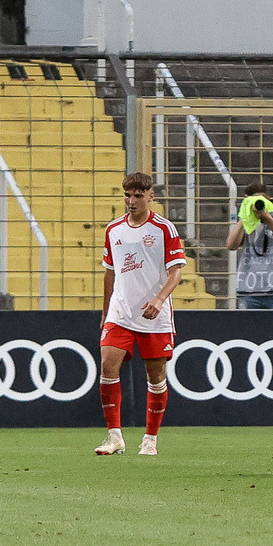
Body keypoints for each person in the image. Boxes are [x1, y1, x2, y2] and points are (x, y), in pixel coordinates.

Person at [95, 172, 186, 457]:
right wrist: (105, 310)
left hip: (154, 316)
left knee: (155, 375)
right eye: (127, 195)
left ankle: (150, 438)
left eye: (137, 195)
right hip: (120, 312)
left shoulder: (164, 229)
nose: (131, 201)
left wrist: (160, 299)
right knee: (108, 366)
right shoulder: (114, 230)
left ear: (150, 196)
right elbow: (110, 273)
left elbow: (177, 272)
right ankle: (114, 437)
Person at [226, 181, 273, 309]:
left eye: (262, 199)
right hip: (249, 290)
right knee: (249, 329)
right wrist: (244, 217)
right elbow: (231, 245)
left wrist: (268, 219)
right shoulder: (246, 222)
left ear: (268, 199)